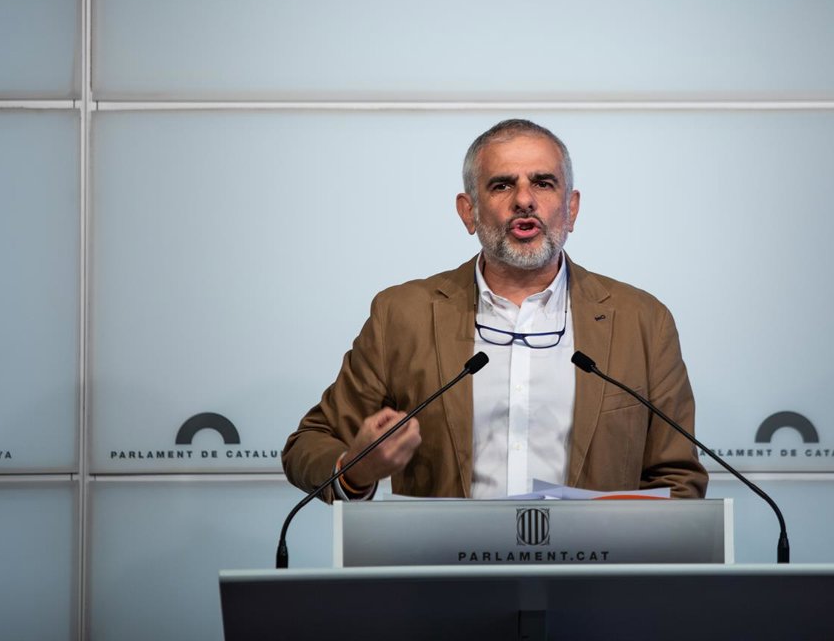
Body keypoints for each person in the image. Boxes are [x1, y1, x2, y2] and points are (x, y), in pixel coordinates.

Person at [282, 119, 707, 500]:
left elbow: (677, 479)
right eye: (502, 185)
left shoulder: (642, 322)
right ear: (468, 211)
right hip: (447, 562)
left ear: (571, 208)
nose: (524, 200)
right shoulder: (402, 316)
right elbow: (310, 443)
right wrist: (356, 470)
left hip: (591, 564)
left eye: (543, 183)